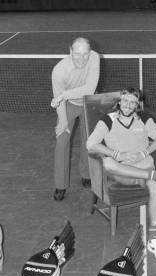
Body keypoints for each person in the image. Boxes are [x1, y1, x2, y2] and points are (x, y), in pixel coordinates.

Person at [86, 88, 156, 262]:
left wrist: (144, 153)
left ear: (137, 105)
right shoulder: (108, 120)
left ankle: (154, 239)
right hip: (122, 171)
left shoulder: (144, 119)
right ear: (119, 102)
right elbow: (90, 143)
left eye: (133, 102)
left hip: (144, 167)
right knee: (107, 163)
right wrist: (116, 154)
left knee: (155, 186)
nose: (128, 105)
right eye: (125, 101)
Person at [51, 37, 100, 201]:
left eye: (85, 54)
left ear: (90, 52)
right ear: (70, 52)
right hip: (68, 105)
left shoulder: (94, 58)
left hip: (88, 102)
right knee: (61, 140)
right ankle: (60, 185)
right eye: (77, 54)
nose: (82, 58)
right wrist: (63, 122)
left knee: (89, 140)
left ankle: (86, 175)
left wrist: (63, 94)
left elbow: (90, 88)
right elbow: (59, 103)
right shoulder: (59, 71)